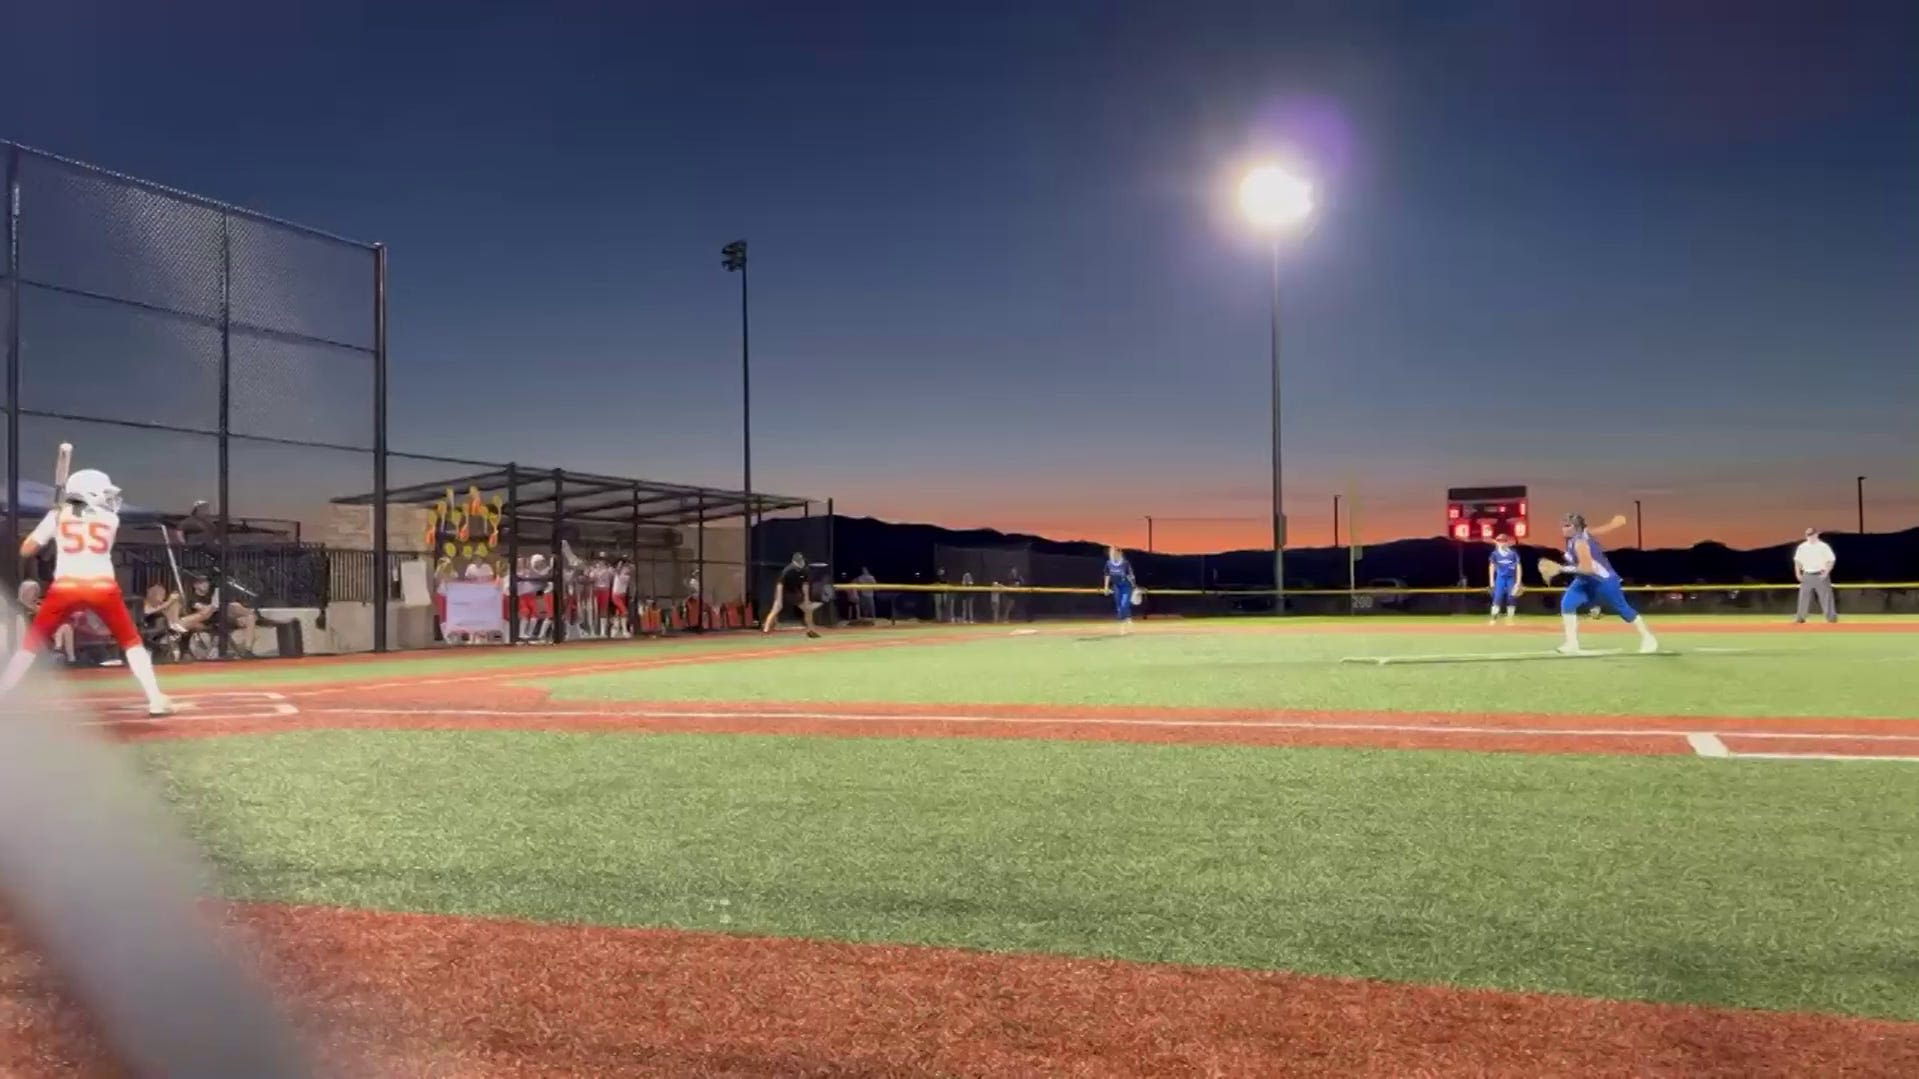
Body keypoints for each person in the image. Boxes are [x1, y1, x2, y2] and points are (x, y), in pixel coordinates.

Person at [0, 467, 172, 715]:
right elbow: (86, 520)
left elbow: (26, 550)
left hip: (65, 586)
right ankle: (155, 698)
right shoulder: (111, 519)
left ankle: (4, 692)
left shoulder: (58, 515)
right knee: (131, 642)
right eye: (103, 492)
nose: (108, 498)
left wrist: (53, 519)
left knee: (31, 642)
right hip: (101, 586)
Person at [1546, 513, 1658, 655]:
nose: (1563, 528)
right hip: (1584, 580)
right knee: (1567, 604)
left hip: (1603, 581)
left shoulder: (1580, 543)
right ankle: (1571, 643)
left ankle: (1648, 638)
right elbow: (1595, 530)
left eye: (1568, 525)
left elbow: (1587, 568)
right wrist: (1613, 525)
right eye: (1563, 525)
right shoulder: (1576, 537)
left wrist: (1561, 569)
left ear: (1576, 528)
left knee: (1624, 610)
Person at [17, 580, 78, 666]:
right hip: (33, 633)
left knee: (66, 627)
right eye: (30, 591)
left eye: (34, 591)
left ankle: (70, 658)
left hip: (47, 630)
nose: (32, 593)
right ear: (24, 592)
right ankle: (57, 650)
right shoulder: (20, 607)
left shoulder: (39, 605)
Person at [761, 552, 821, 638]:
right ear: (794, 562)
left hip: (793, 592)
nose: (801, 563)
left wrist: (806, 600)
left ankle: (811, 631)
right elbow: (780, 584)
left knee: (807, 609)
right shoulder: (788, 570)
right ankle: (765, 631)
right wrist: (778, 599)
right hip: (782, 590)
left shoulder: (805, 571)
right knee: (776, 608)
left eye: (802, 561)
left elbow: (805, 585)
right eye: (799, 561)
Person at [1792, 528, 1838, 624]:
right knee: (1803, 597)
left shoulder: (1823, 546)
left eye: (1812, 534)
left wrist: (1826, 572)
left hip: (1820, 574)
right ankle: (1800, 618)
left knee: (1826, 597)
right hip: (1807, 574)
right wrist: (1798, 573)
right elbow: (1797, 561)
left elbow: (1831, 560)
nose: (1810, 537)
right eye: (1808, 535)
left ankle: (1831, 618)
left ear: (1816, 534)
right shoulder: (1802, 547)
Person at [1100, 545, 1137, 636]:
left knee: (1124, 604)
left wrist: (1134, 586)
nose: (1112, 554)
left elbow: (1130, 575)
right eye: (1111, 552)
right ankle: (1126, 621)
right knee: (1119, 606)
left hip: (1126, 586)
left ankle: (1124, 625)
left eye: (1114, 552)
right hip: (1116, 586)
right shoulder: (1108, 563)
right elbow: (1107, 575)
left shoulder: (1125, 563)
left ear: (1119, 553)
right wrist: (1106, 587)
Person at [1488, 534, 1523, 625]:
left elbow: (1518, 567)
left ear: (1507, 542)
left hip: (1510, 578)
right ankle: (1494, 618)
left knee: (1511, 598)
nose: (1501, 543)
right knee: (1497, 597)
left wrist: (1518, 582)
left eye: (1503, 541)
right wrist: (1491, 581)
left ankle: (1510, 619)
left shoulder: (1513, 553)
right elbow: (1492, 566)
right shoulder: (1495, 554)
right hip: (1500, 578)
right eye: (1499, 541)